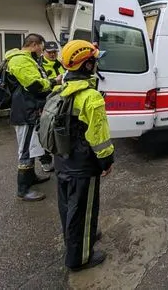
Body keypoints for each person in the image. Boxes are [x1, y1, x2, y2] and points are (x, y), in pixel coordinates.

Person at [56, 40, 115, 271]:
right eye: (94, 61)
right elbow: (98, 137)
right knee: (84, 208)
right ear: (88, 66)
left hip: (63, 159)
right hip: (83, 165)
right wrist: (106, 161)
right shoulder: (91, 97)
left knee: (68, 206)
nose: (97, 65)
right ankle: (79, 258)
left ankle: (78, 238)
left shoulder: (60, 87)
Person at [6, 33, 62, 202]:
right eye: (41, 48)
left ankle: (31, 178)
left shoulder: (25, 59)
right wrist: (54, 82)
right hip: (24, 112)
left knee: (31, 146)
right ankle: (23, 189)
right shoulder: (20, 60)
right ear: (35, 44)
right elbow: (34, 84)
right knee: (25, 149)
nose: (42, 52)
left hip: (29, 110)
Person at [38, 41, 66, 172]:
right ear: (43, 52)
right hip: (46, 103)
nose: (53, 54)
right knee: (45, 130)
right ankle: (45, 160)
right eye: (50, 52)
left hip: (61, 101)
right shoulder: (39, 66)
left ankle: (60, 158)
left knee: (58, 130)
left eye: (55, 52)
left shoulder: (60, 64)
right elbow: (38, 87)